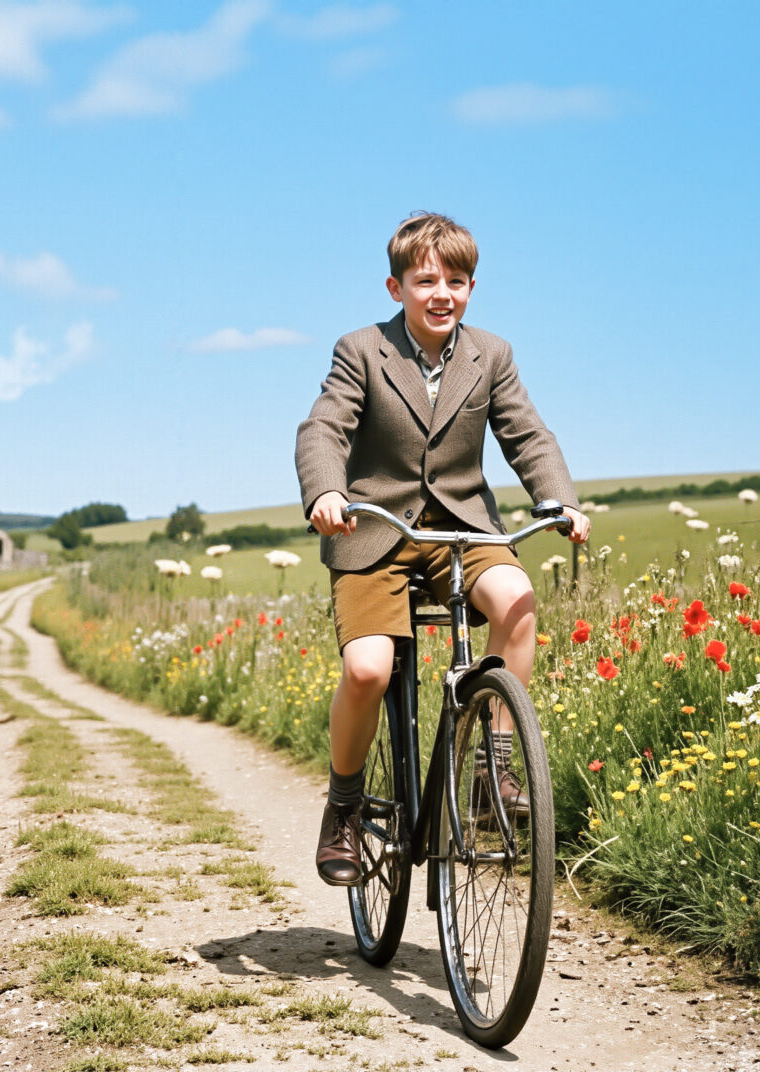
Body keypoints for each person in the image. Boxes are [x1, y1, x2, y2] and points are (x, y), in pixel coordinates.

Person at [294, 212, 589, 886]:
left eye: (455, 281)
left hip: (462, 528)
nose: (441, 294)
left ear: (471, 288)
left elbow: (527, 435)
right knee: (368, 670)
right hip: (372, 530)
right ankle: (344, 807)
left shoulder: (492, 354)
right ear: (396, 288)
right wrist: (326, 492)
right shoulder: (361, 349)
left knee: (517, 599)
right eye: (425, 280)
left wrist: (559, 499)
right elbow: (323, 429)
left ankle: (492, 769)